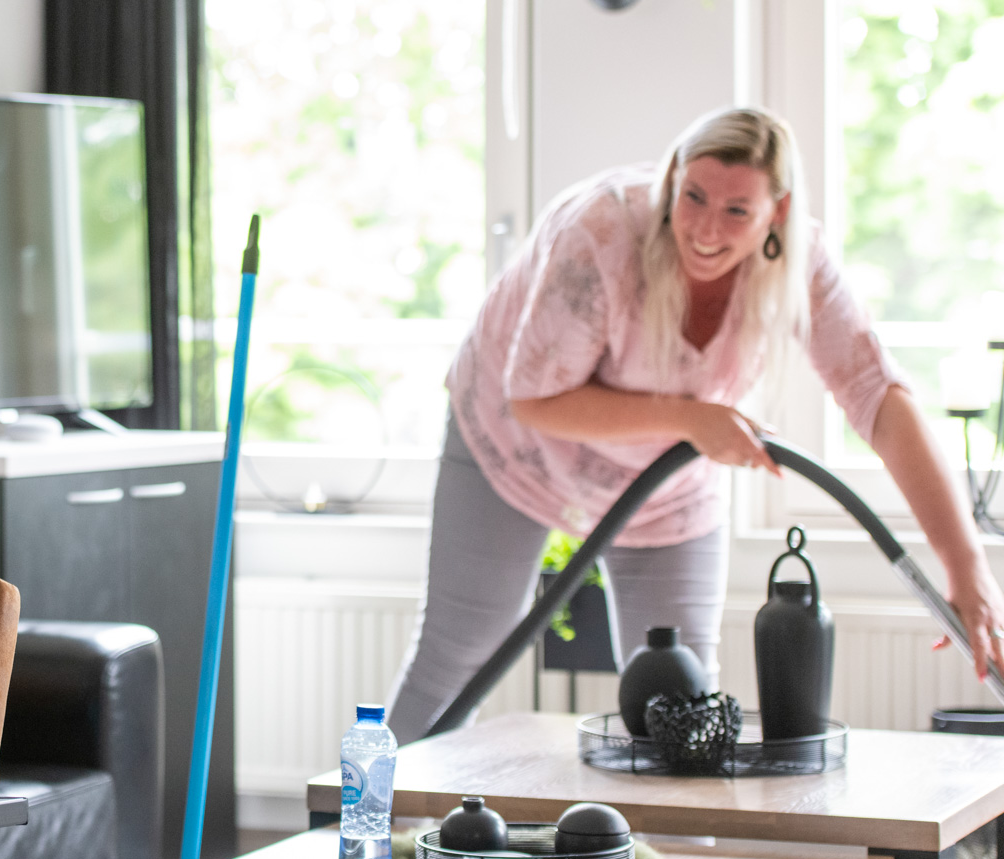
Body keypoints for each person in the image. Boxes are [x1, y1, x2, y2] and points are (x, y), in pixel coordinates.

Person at [386, 107, 1004, 745]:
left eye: (737, 210)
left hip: (667, 483)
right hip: (515, 445)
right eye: (694, 197)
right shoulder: (602, 230)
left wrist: (967, 568)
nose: (707, 229)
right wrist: (689, 417)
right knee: (456, 658)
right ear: (672, 180)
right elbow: (536, 400)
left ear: (779, 211)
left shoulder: (802, 264)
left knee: (681, 705)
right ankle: (372, 808)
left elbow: (878, 396)